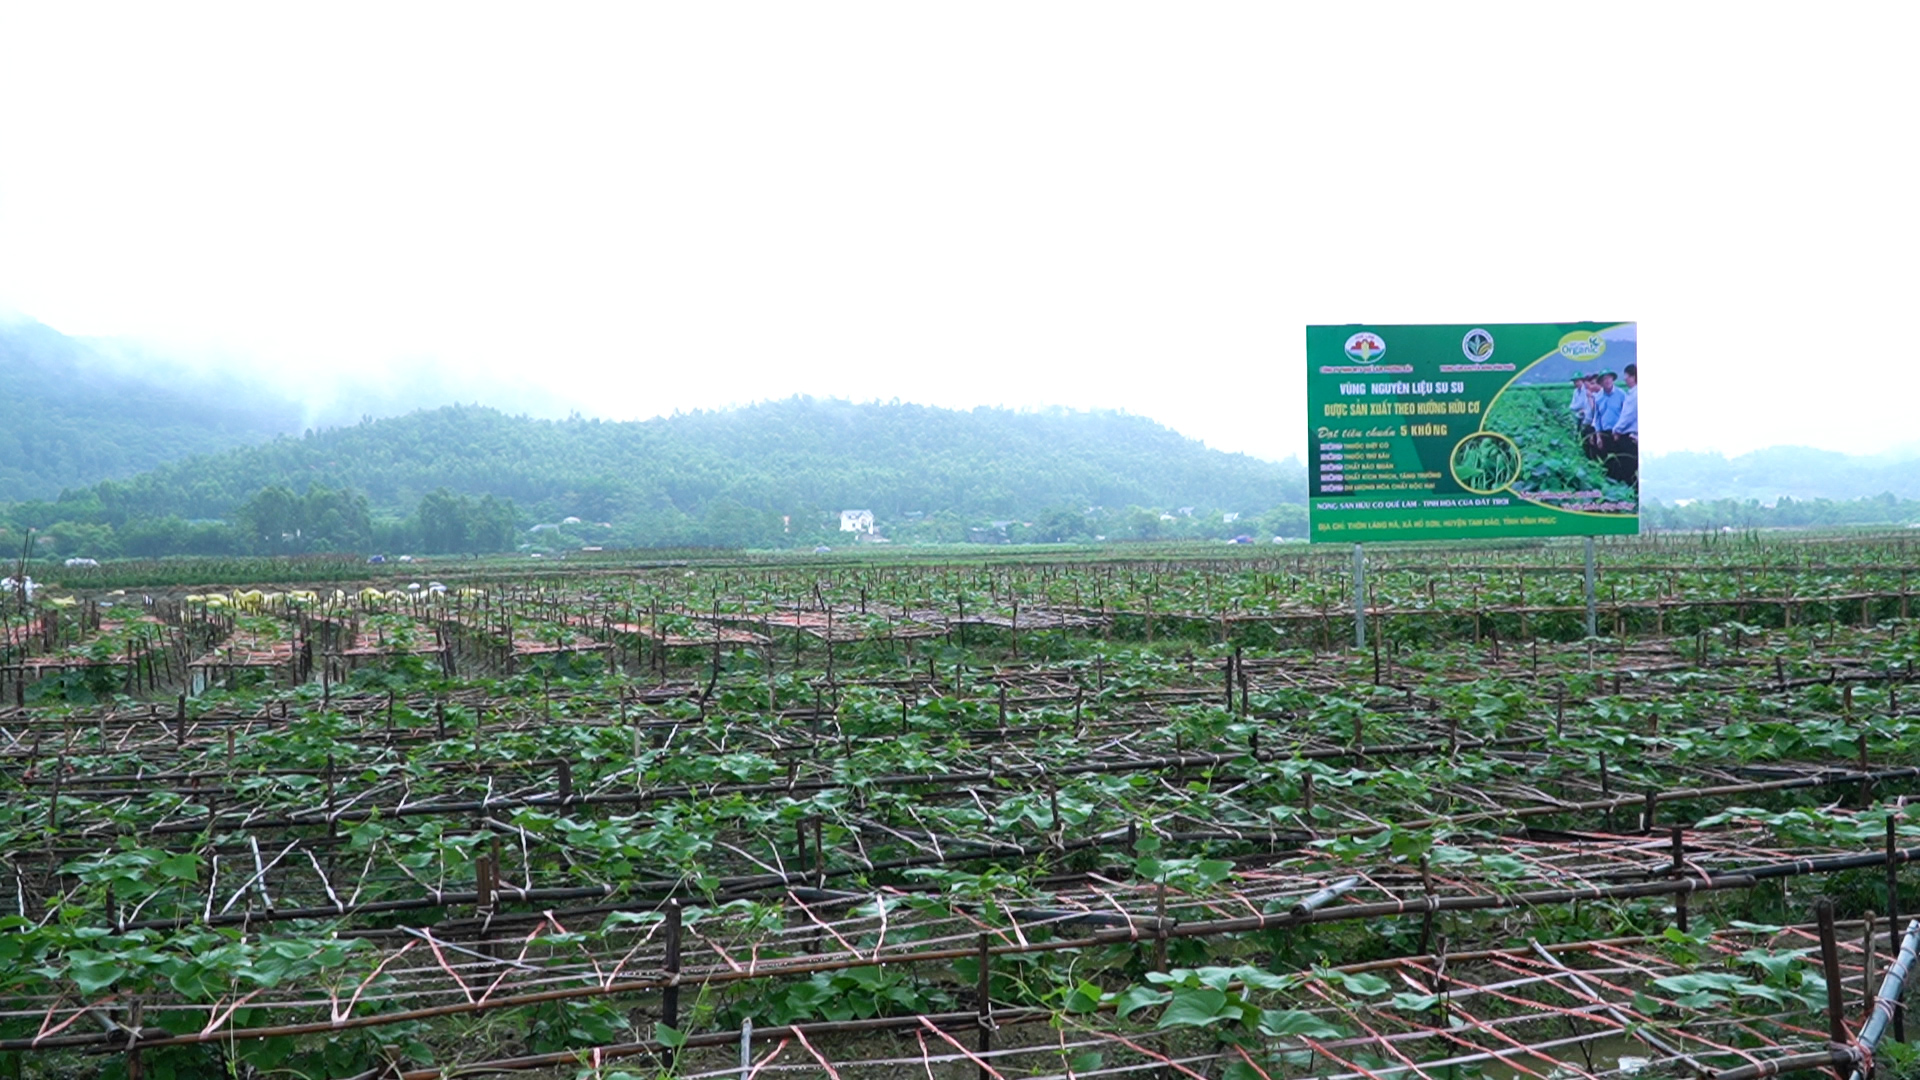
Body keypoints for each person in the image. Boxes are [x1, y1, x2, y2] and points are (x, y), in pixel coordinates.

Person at [1605, 363, 1638, 486]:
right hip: (1629, 434)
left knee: (1627, 467)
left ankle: (1630, 494)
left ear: (1634, 377)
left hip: (1630, 435)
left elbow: (1628, 415)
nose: (1625, 378)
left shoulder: (1635, 394)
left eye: (1627, 376)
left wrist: (1617, 429)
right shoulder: (1632, 393)